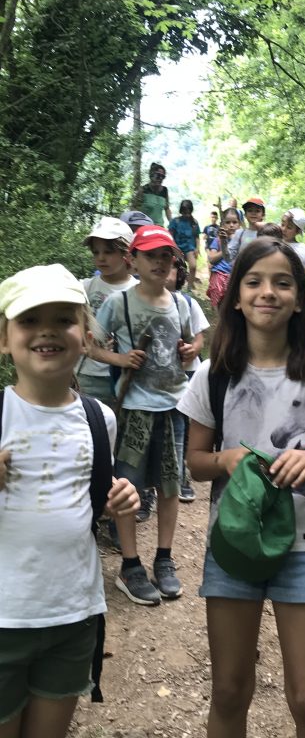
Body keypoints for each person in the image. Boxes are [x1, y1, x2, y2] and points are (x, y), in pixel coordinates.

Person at [177, 238, 305, 738]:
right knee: (230, 690)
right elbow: (196, 463)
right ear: (235, 296)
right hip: (233, 542)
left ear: (300, 299)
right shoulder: (213, 376)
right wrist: (226, 459)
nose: (268, 292)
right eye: (254, 282)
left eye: (283, 283)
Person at [0, 264, 139, 738]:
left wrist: (117, 497)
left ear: (86, 337)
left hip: (73, 615)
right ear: (5, 339)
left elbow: (91, 495)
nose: (47, 330)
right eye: (29, 320)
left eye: (63, 319)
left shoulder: (99, 419)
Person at [91, 225, 195, 605]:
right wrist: (120, 359)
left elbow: (193, 342)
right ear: (132, 260)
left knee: (170, 487)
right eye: (150, 255)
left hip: (174, 409)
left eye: (166, 255)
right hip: (134, 408)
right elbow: (90, 344)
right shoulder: (118, 303)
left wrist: (190, 350)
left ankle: (164, 559)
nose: (160, 262)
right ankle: (130, 566)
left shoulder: (181, 303)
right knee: (127, 487)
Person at [78, 216, 138, 408]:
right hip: (87, 374)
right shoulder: (85, 288)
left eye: (108, 252)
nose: (101, 258)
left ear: (127, 253)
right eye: (96, 252)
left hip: (126, 375)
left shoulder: (138, 290)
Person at [165, 256, 209, 502]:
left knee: (184, 422)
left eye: (170, 268)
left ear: (180, 274)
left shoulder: (187, 302)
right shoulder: (142, 302)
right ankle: (170, 475)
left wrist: (193, 349)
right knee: (170, 424)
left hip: (188, 372)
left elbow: (199, 336)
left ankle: (182, 474)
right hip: (162, 375)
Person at [280, 208, 305, 305]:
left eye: (289, 227)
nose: (284, 229)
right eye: (282, 224)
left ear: (298, 231)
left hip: (297, 293)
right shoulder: (274, 244)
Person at [205, 207, 240, 309]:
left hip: (235, 278)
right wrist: (226, 247)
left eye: (234, 222)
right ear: (223, 225)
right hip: (219, 276)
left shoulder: (242, 241)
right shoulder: (218, 240)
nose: (231, 225)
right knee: (219, 307)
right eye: (227, 222)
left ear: (239, 224)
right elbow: (211, 259)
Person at [169, 200, 201, 291]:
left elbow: (197, 237)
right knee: (179, 268)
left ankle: (189, 287)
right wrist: (175, 248)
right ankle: (176, 287)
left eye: (188, 211)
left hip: (189, 248)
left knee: (193, 266)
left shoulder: (194, 222)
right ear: (181, 211)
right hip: (177, 247)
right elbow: (170, 236)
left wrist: (197, 248)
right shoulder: (175, 221)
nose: (186, 214)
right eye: (185, 212)